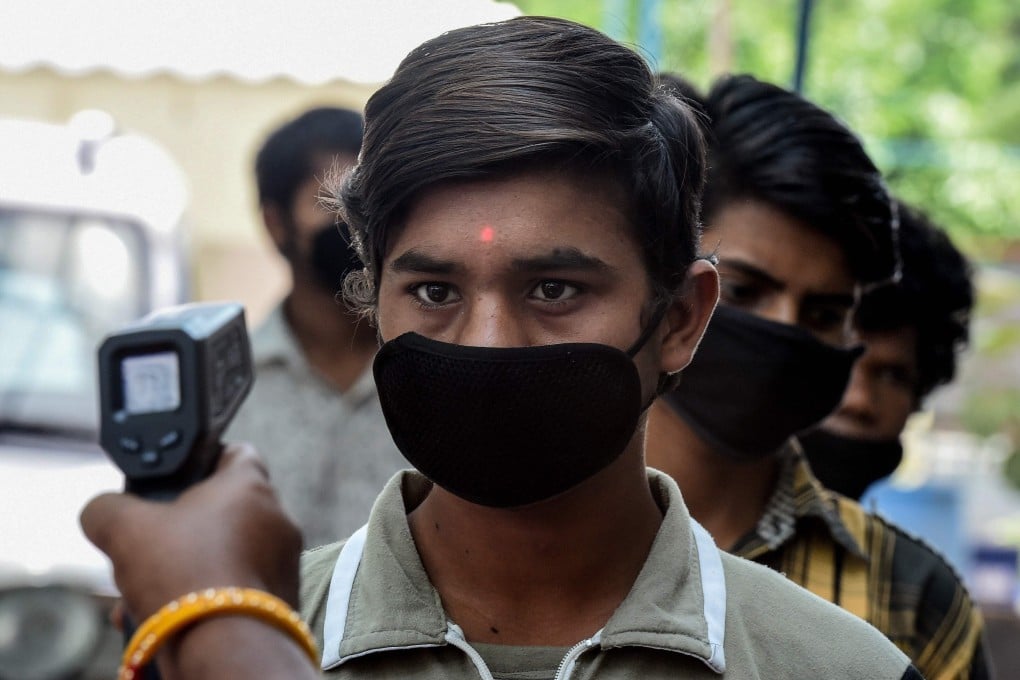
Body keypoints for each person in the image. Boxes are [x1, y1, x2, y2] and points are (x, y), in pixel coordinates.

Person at [82, 17, 921, 680]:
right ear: (376, 301)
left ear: (679, 320)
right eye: (436, 291)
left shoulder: (843, 668)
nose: (487, 344)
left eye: (554, 289)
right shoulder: (229, 638)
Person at [647, 74, 990, 679]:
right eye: (746, 291)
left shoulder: (913, 599)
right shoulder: (520, 534)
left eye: (825, 314)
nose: (785, 332)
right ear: (668, 289)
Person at [227, 107, 406, 547]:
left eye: (366, 201)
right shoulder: (229, 390)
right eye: (329, 202)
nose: (353, 223)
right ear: (275, 223)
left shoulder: (428, 373)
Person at [800, 200, 975, 500]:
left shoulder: (889, 547)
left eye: (893, 376)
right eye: (838, 360)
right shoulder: (696, 540)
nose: (859, 400)